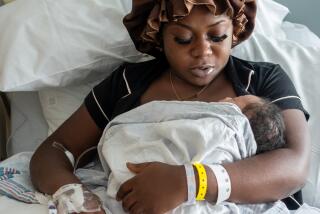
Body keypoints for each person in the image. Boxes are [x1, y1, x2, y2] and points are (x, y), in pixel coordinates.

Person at [30, 0, 310, 213]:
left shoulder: (261, 80)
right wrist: (72, 193)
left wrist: (190, 181)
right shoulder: (129, 83)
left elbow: (295, 167)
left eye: (217, 37)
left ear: (235, 30)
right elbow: (53, 151)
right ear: (158, 35)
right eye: (183, 39)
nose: (202, 51)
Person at [98, 95, 287, 213]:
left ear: (243, 117)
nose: (228, 98)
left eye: (236, 101)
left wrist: (190, 181)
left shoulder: (227, 127)